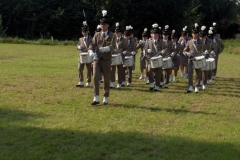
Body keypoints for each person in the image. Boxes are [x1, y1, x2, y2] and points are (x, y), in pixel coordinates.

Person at [89, 10, 116, 105]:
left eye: (104, 24)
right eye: (101, 24)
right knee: (95, 78)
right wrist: (91, 52)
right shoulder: (96, 35)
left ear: (108, 25)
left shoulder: (112, 35)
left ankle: (106, 97)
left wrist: (107, 48)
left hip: (106, 59)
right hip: (97, 59)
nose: (103, 26)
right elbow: (92, 44)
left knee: (106, 79)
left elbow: (114, 46)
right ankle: (96, 97)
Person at [183, 23, 203, 93]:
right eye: (194, 33)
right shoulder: (189, 42)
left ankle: (197, 86)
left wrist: (202, 55)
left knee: (198, 73)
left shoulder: (201, 42)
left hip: (198, 59)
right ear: (192, 34)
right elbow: (184, 50)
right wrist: (186, 53)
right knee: (190, 73)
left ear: (198, 34)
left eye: (196, 33)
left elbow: (203, 50)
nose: (195, 35)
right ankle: (190, 86)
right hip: (191, 59)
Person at [145, 23, 163, 91]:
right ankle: (152, 83)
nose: (155, 35)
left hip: (158, 59)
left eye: (156, 34)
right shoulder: (149, 41)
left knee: (158, 73)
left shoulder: (161, 42)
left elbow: (164, 49)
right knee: (149, 71)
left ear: (158, 34)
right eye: (153, 34)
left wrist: (162, 52)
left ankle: (157, 86)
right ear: (151, 34)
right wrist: (147, 50)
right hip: (151, 59)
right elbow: (145, 49)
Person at [110, 22, 127, 89]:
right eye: (116, 32)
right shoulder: (112, 39)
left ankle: (119, 83)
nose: (117, 33)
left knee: (120, 71)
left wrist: (124, 51)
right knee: (112, 70)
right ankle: (112, 83)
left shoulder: (124, 40)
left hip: (120, 57)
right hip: (113, 56)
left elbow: (126, 48)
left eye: (118, 32)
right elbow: (110, 47)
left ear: (121, 33)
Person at [76, 21, 92, 87]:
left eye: (86, 32)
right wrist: (78, 47)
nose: (84, 33)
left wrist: (88, 49)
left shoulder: (91, 38)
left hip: (88, 55)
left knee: (89, 69)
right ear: (82, 32)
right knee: (80, 68)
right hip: (82, 55)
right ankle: (81, 81)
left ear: (87, 32)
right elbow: (78, 45)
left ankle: (88, 81)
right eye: (83, 32)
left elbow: (91, 45)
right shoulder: (80, 39)